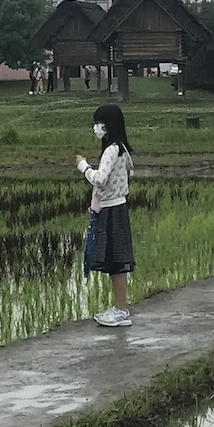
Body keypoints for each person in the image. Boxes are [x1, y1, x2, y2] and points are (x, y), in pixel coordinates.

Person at [76, 103, 135, 327]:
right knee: (115, 261)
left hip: (112, 209)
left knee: (116, 261)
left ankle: (120, 310)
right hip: (115, 207)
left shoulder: (112, 149)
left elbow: (100, 179)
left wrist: (83, 167)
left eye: (98, 123)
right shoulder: (121, 148)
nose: (96, 127)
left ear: (107, 125)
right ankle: (119, 308)